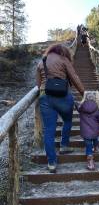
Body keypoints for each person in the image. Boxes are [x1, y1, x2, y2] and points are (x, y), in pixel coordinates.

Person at [36, 44, 84, 173]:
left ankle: (51, 163)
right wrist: (84, 93)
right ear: (62, 52)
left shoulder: (42, 61)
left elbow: (38, 84)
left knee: (49, 129)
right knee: (67, 120)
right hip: (63, 96)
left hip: (45, 97)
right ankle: (64, 145)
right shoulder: (63, 59)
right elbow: (74, 77)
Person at [75, 91, 99, 170]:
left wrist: (75, 102)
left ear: (85, 98)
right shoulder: (96, 108)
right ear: (94, 99)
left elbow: (77, 107)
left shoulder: (81, 108)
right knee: (95, 138)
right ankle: (96, 147)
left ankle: (90, 163)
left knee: (88, 146)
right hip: (95, 130)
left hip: (85, 132)